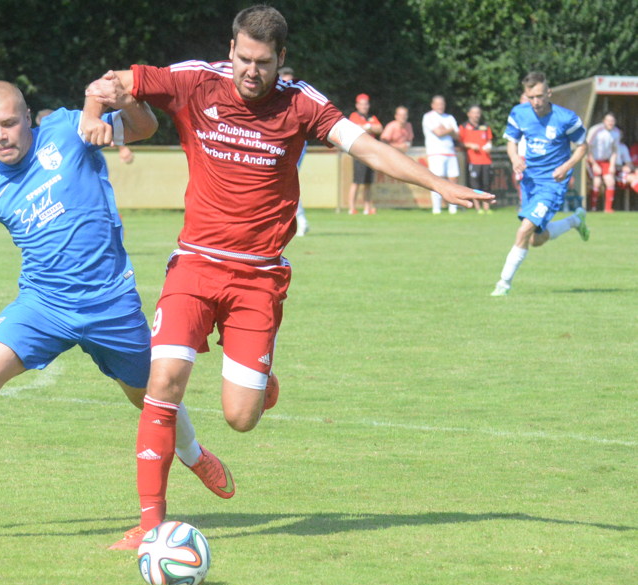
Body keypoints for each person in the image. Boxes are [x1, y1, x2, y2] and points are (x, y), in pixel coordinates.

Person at [83, 4, 492, 549]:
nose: (251, 71)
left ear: (282, 59)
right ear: (231, 50)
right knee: (163, 385)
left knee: (241, 417)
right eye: (243, 59)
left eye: (263, 62)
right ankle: (150, 524)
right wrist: (92, 111)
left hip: (259, 279)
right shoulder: (194, 82)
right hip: (195, 265)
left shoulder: (302, 104)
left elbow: (367, 147)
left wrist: (438, 184)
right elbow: (110, 83)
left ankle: (262, 382)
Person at [0, 81, 229, 524]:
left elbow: (143, 128)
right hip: (44, 304)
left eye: (8, 123)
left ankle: (193, 454)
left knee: (152, 395)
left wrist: (125, 102)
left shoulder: (68, 130)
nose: (0, 136)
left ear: (28, 117)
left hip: (110, 303)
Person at [491, 72, 590, 297]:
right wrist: (514, 159)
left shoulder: (566, 118)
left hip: (553, 184)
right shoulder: (519, 113)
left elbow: (583, 146)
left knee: (524, 229)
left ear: (549, 93)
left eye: (539, 96)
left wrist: (567, 166)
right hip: (530, 182)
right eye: (531, 97)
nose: (535, 102)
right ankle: (575, 220)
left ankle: (503, 284)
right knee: (535, 239)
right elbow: (512, 141)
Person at [278, 66, 309, 235]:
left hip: (294, 147)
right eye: (284, 82)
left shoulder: (297, 102)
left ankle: (300, 221)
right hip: (278, 147)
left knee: (286, 183)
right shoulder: (273, 102)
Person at [422, 95, 461, 214]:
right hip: (436, 153)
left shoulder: (449, 117)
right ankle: (437, 208)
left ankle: (453, 207)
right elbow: (438, 132)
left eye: (442, 104)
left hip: (450, 152)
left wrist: (447, 130)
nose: (440, 106)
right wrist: (450, 130)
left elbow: (457, 135)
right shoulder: (428, 117)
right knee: (437, 179)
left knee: (453, 178)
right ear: (432, 105)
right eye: (437, 104)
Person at [346, 93, 383, 215]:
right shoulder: (354, 116)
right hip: (359, 151)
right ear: (357, 105)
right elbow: (355, 128)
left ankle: (367, 208)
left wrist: (366, 127)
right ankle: (352, 208)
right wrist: (370, 127)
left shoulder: (371, 117)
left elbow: (379, 128)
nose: (364, 106)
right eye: (362, 104)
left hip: (370, 151)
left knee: (368, 182)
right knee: (357, 181)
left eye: (366, 104)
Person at [458, 104, 494, 213]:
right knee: (475, 185)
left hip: (486, 160)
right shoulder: (463, 126)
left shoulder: (485, 126)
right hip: (473, 160)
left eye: (478, 112)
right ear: (469, 114)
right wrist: (469, 145)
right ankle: (478, 208)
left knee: (486, 184)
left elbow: (489, 140)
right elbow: (459, 142)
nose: (476, 115)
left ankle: (487, 208)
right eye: (474, 113)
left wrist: (489, 146)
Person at [586, 112, 621, 212]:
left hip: (606, 161)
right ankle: (593, 208)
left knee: (610, 181)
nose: (610, 123)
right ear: (603, 121)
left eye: (612, 121)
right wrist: (594, 164)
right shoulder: (595, 130)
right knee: (596, 182)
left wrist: (612, 165)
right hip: (593, 160)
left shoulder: (616, 132)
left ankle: (608, 208)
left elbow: (615, 150)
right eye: (608, 120)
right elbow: (587, 148)